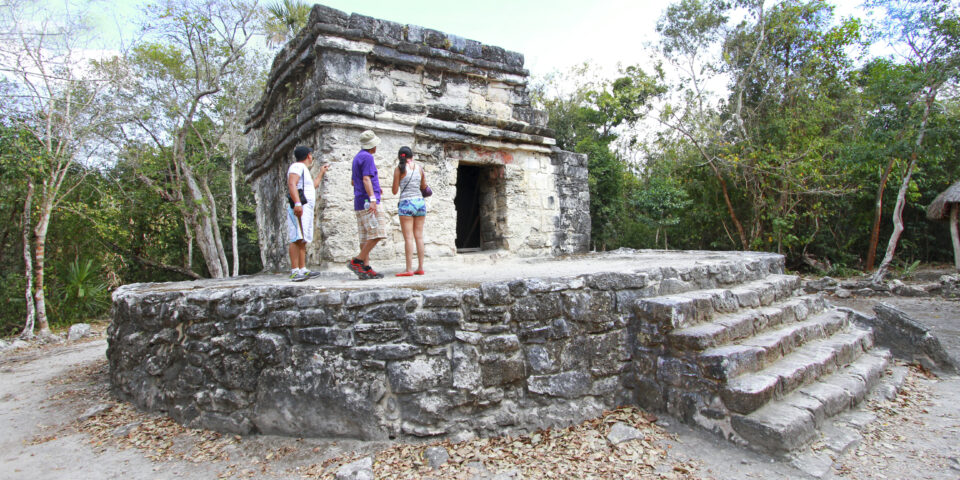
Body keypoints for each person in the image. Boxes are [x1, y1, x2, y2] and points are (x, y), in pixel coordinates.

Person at [348, 130, 388, 280]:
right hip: (367, 201)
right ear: (373, 145)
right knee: (378, 233)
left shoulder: (357, 157)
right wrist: (372, 197)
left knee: (365, 237)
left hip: (359, 200)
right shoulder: (368, 157)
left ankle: (365, 267)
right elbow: (366, 179)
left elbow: (354, 181)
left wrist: (375, 188)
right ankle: (357, 261)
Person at [287, 145, 329, 282]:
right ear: (309, 155)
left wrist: (321, 173)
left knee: (303, 239)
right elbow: (292, 184)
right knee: (296, 237)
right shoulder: (297, 167)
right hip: (300, 207)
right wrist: (298, 203)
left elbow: (313, 185)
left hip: (306, 208)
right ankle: (294, 271)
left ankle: (302, 269)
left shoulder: (303, 169)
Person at [391, 146, 427, 276]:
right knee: (419, 236)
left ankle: (409, 269)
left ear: (400, 156)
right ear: (411, 156)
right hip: (420, 203)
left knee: (408, 238)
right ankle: (421, 267)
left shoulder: (398, 169)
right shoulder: (420, 168)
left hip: (406, 203)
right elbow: (424, 186)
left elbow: (394, 191)